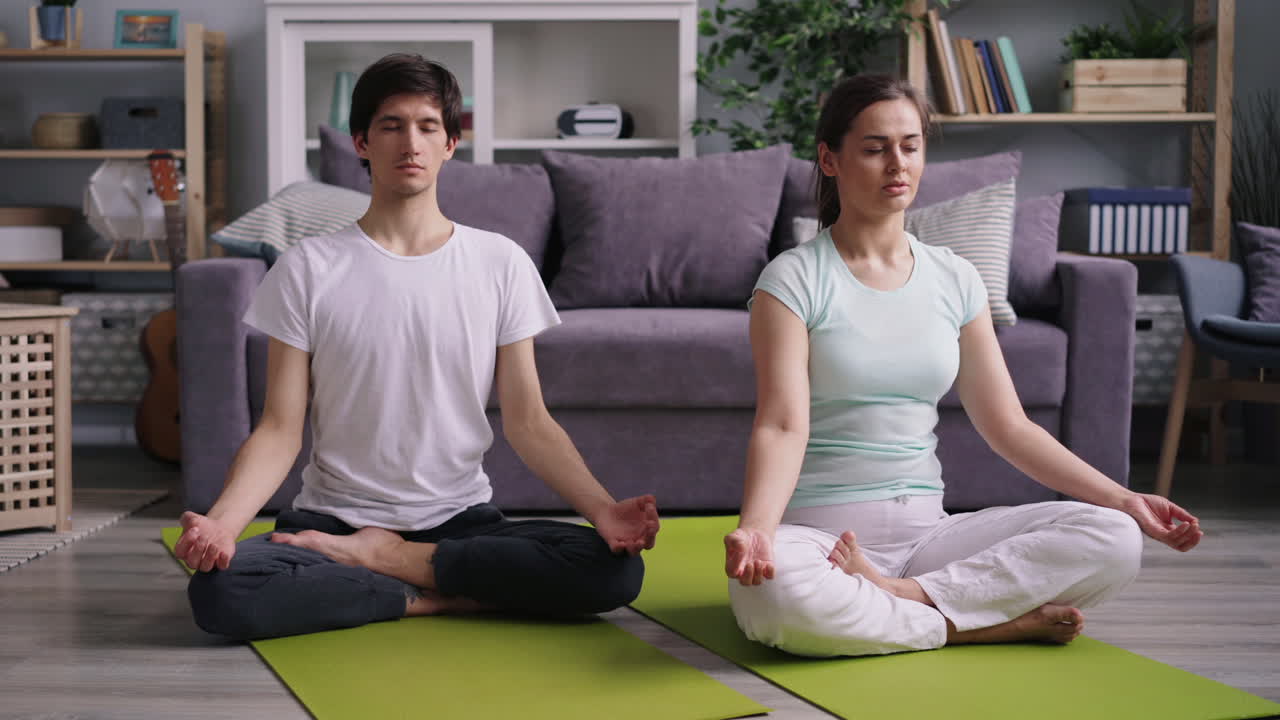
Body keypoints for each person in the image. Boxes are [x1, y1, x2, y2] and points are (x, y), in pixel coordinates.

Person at [174, 53, 659, 641]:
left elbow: (530, 422)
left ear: (451, 143)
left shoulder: (498, 262)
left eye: (429, 126)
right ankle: (441, 594)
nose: (411, 141)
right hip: (331, 525)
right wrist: (223, 526)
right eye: (391, 125)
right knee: (222, 592)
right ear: (361, 142)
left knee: (612, 573)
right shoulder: (308, 267)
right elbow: (279, 429)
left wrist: (604, 511)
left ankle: (390, 566)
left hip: (460, 523)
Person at [723, 74, 1203, 658]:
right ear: (831, 159)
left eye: (911, 145)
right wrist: (756, 528)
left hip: (929, 536)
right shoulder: (793, 280)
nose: (896, 163)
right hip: (821, 535)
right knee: (776, 594)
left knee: (1115, 538)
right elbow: (780, 425)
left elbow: (1009, 426)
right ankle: (976, 623)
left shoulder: (954, 277)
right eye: (874, 148)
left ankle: (904, 596)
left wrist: (1122, 497)